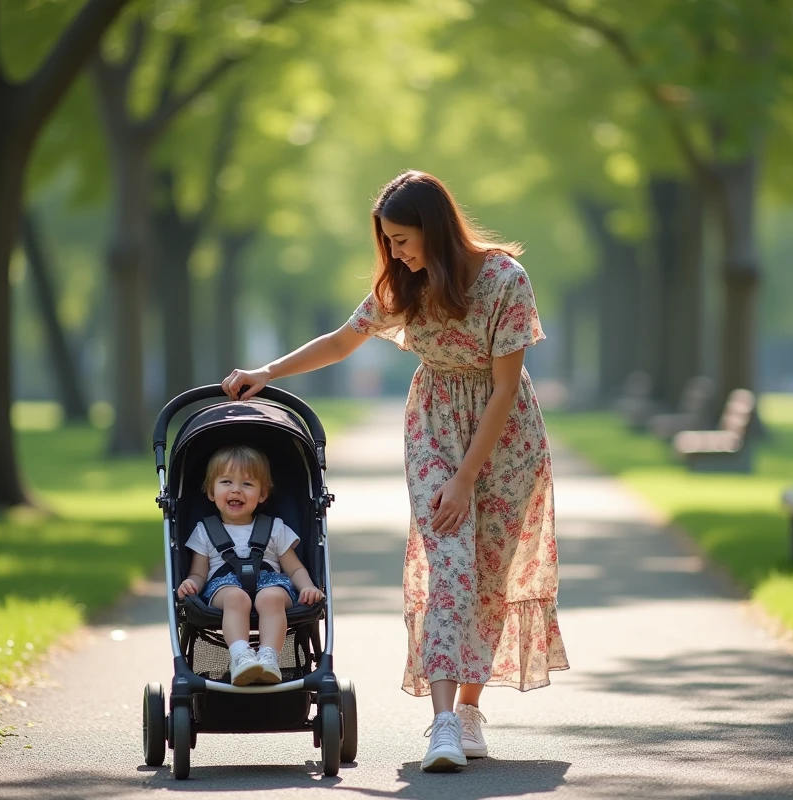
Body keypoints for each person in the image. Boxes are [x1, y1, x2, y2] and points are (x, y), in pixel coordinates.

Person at [222, 170, 568, 771]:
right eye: (388, 241)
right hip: (434, 426)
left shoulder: (505, 280)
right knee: (451, 567)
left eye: (402, 239)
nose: (395, 252)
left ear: (434, 229)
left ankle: (467, 710)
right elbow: (339, 342)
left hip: (503, 436)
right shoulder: (401, 285)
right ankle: (439, 725)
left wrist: (467, 476)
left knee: (488, 573)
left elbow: (506, 388)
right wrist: (268, 373)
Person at [177, 444, 324, 686]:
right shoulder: (204, 531)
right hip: (223, 588)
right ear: (211, 492)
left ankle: (268, 658)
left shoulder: (275, 528)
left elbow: (294, 567)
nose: (236, 490)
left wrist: (308, 587)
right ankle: (241, 656)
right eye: (226, 482)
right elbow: (198, 572)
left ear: (263, 494)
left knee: (271, 598)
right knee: (237, 598)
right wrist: (191, 584)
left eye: (247, 484)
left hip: (271, 583)